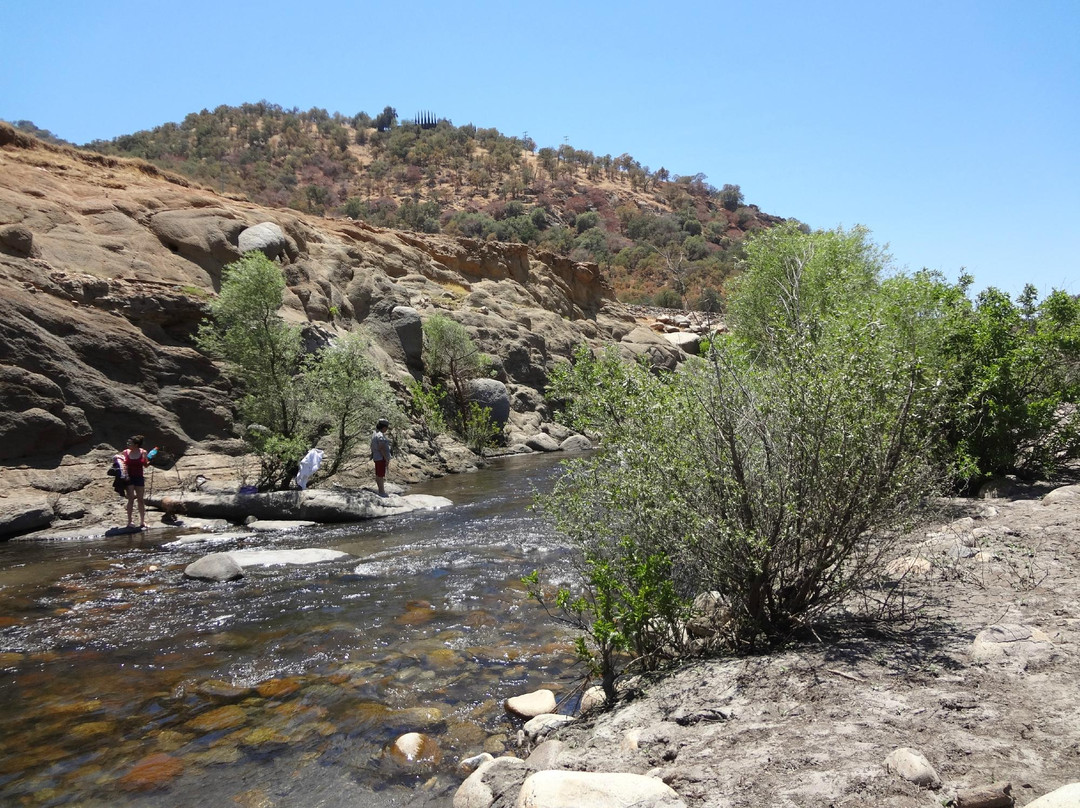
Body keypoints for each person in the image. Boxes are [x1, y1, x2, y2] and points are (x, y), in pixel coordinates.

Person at [119, 435, 151, 529]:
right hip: (129, 478)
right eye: (128, 443)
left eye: (130, 443)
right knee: (131, 499)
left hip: (139, 477)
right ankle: (130, 521)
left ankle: (142, 521)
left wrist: (150, 460)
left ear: (136, 445)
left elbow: (145, 465)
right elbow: (122, 465)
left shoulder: (143, 452)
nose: (128, 444)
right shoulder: (125, 452)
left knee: (140, 500)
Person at [370, 418, 392, 497]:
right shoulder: (380, 435)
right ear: (384, 427)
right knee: (380, 475)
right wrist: (386, 458)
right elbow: (381, 447)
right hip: (381, 458)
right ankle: (382, 492)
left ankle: (380, 491)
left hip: (377, 457)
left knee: (378, 475)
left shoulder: (375, 433)